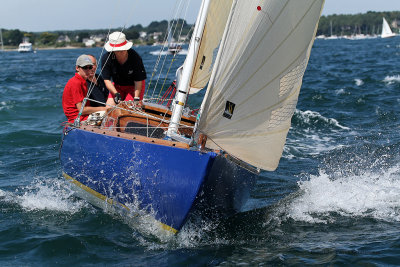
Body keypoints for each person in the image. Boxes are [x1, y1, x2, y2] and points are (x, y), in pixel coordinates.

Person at [101, 31, 147, 106]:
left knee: (128, 109)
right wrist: (116, 93)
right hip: (117, 87)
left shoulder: (135, 57)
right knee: (109, 108)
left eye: (123, 49)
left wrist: (136, 98)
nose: (121, 52)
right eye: (118, 50)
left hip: (134, 87)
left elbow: (138, 81)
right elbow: (107, 80)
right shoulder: (106, 58)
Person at [62, 54, 107, 123]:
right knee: (110, 117)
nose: (88, 70)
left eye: (90, 67)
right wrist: (104, 109)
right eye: (85, 67)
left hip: (85, 116)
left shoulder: (82, 81)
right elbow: (81, 110)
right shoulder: (76, 82)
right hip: (78, 119)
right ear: (77, 68)